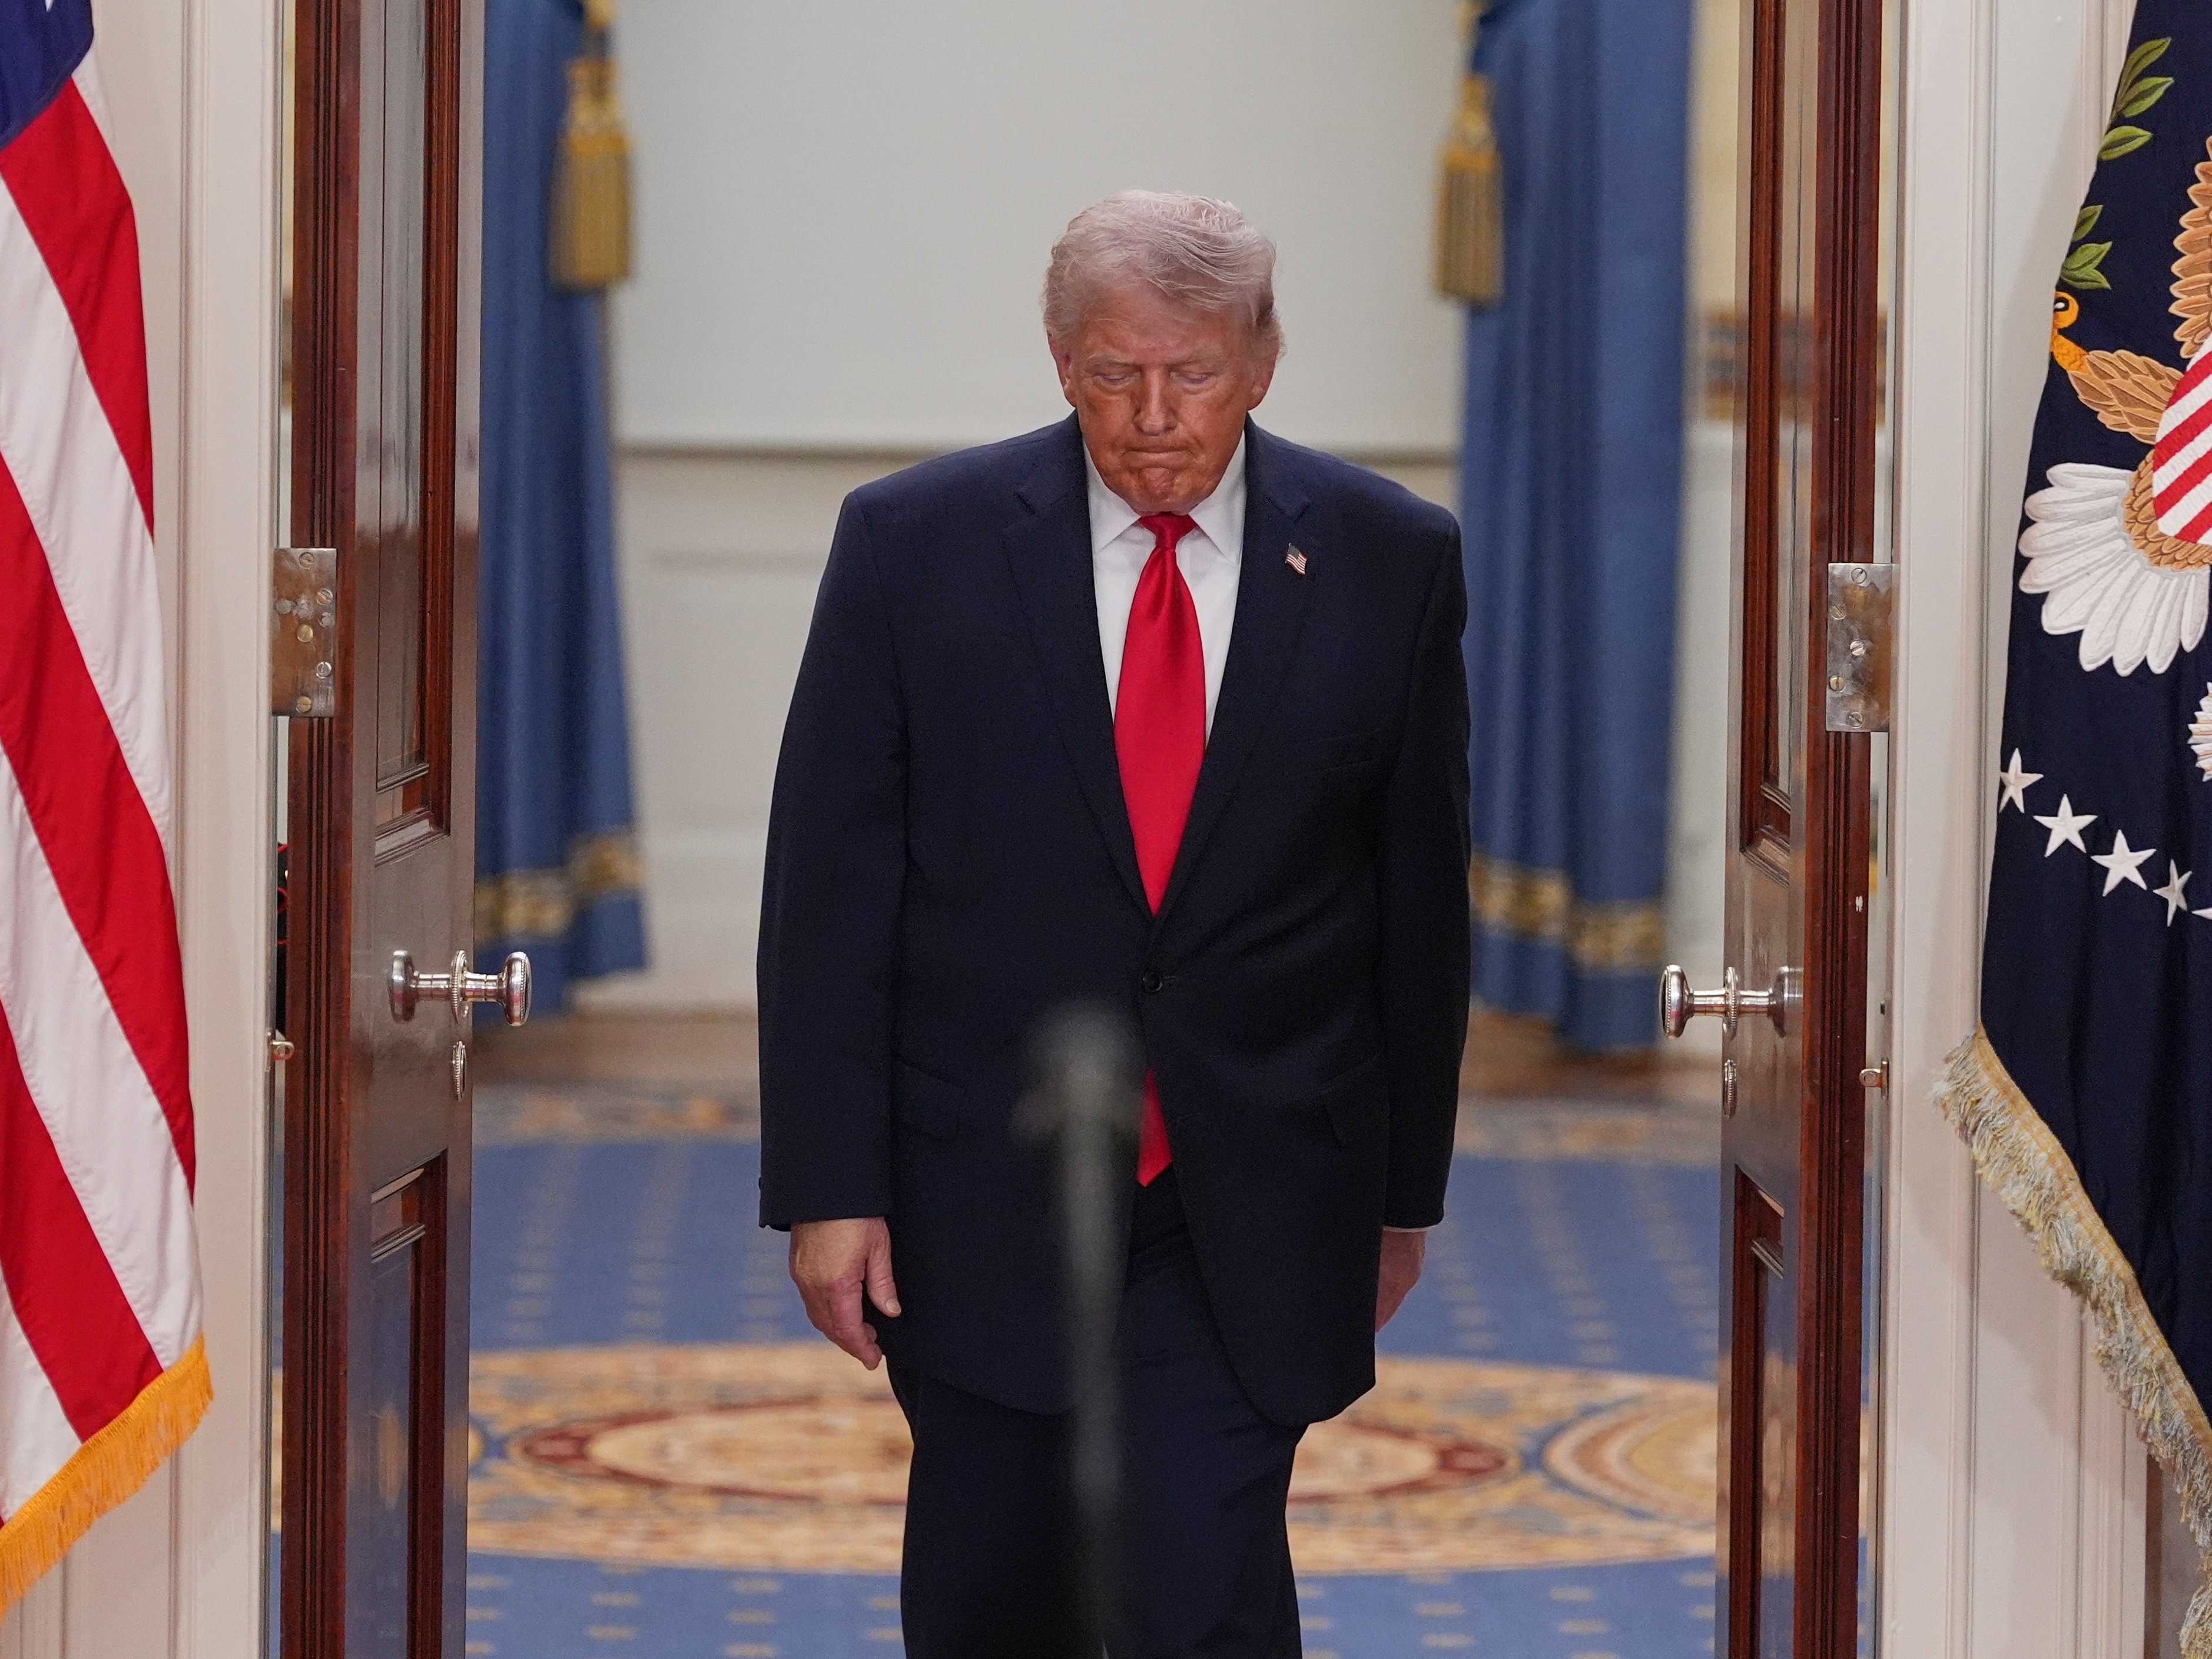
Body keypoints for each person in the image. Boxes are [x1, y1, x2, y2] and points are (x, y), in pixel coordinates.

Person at [758, 190, 1471, 1658]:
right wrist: (829, 1186)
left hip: (1253, 1186)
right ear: (1058, 357)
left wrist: (1404, 1192)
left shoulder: (1389, 556)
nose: (1152, 415)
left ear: (1263, 359)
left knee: (1192, 1572)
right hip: (979, 1176)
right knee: (992, 1582)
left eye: (1192, 371)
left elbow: (1415, 901)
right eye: (1111, 372)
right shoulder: (912, 544)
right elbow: (830, 890)